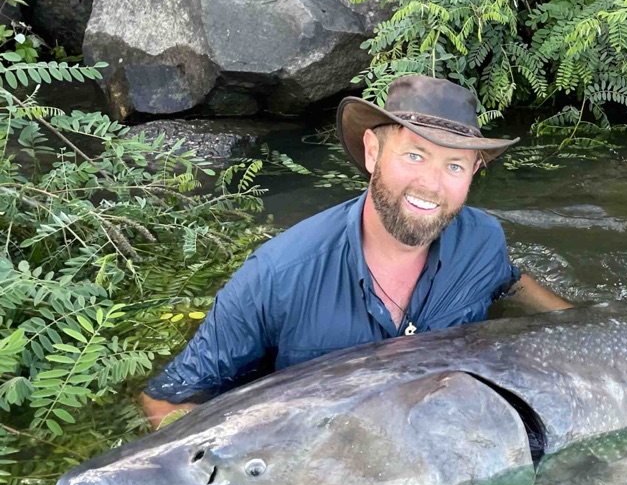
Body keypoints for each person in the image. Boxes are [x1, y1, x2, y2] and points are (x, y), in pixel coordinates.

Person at [141, 75, 573, 428]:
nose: (432, 184)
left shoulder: (481, 240)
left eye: (454, 166)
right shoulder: (278, 277)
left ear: (474, 173)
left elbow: (508, 284)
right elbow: (164, 399)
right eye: (415, 155)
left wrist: (584, 324)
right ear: (372, 152)